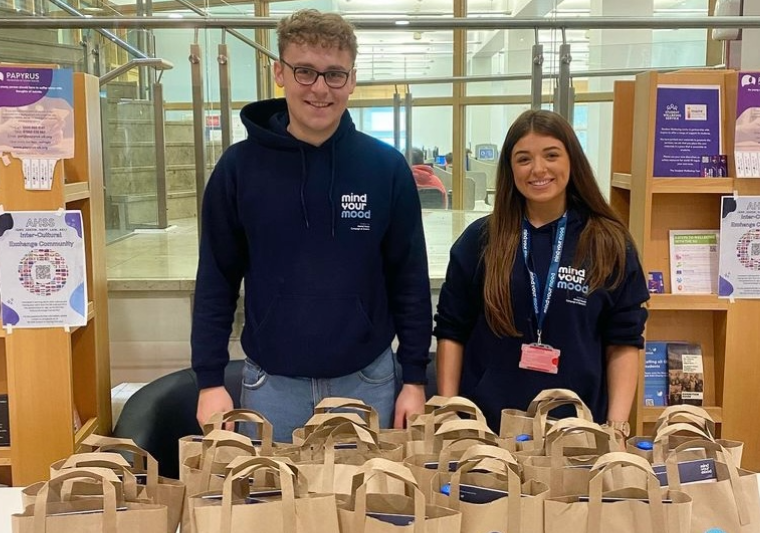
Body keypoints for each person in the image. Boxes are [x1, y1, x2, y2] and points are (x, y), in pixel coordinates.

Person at [191, 9, 432, 443]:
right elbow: (216, 278)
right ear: (279, 72)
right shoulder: (238, 169)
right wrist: (209, 380)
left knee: (366, 509)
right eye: (305, 72)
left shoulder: (385, 168)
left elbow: (409, 279)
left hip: (367, 383)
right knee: (273, 507)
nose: (320, 89)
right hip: (271, 389)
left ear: (352, 80)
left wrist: (414, 378)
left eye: (334, 75)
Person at [434, 109, 649, 435]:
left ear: (572, 160)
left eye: (551, 155)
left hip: (579, 430)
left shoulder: (608, 243)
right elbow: (452, 332)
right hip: (486, 429)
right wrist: (449, 411)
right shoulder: (480, 241)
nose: (538, 169)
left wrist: (616, 425)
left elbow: (624, 341)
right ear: (509, 167)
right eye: (523, 159)